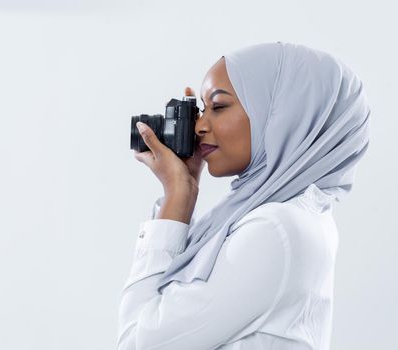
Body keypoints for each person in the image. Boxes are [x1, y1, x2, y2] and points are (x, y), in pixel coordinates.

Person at [117, 41, 370, 350]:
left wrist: (177, 195)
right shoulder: (297, 217)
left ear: (282, 114)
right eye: (201, 110)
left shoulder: (276, 229)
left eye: (219, 107)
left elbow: (137, 343)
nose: (199, 126)